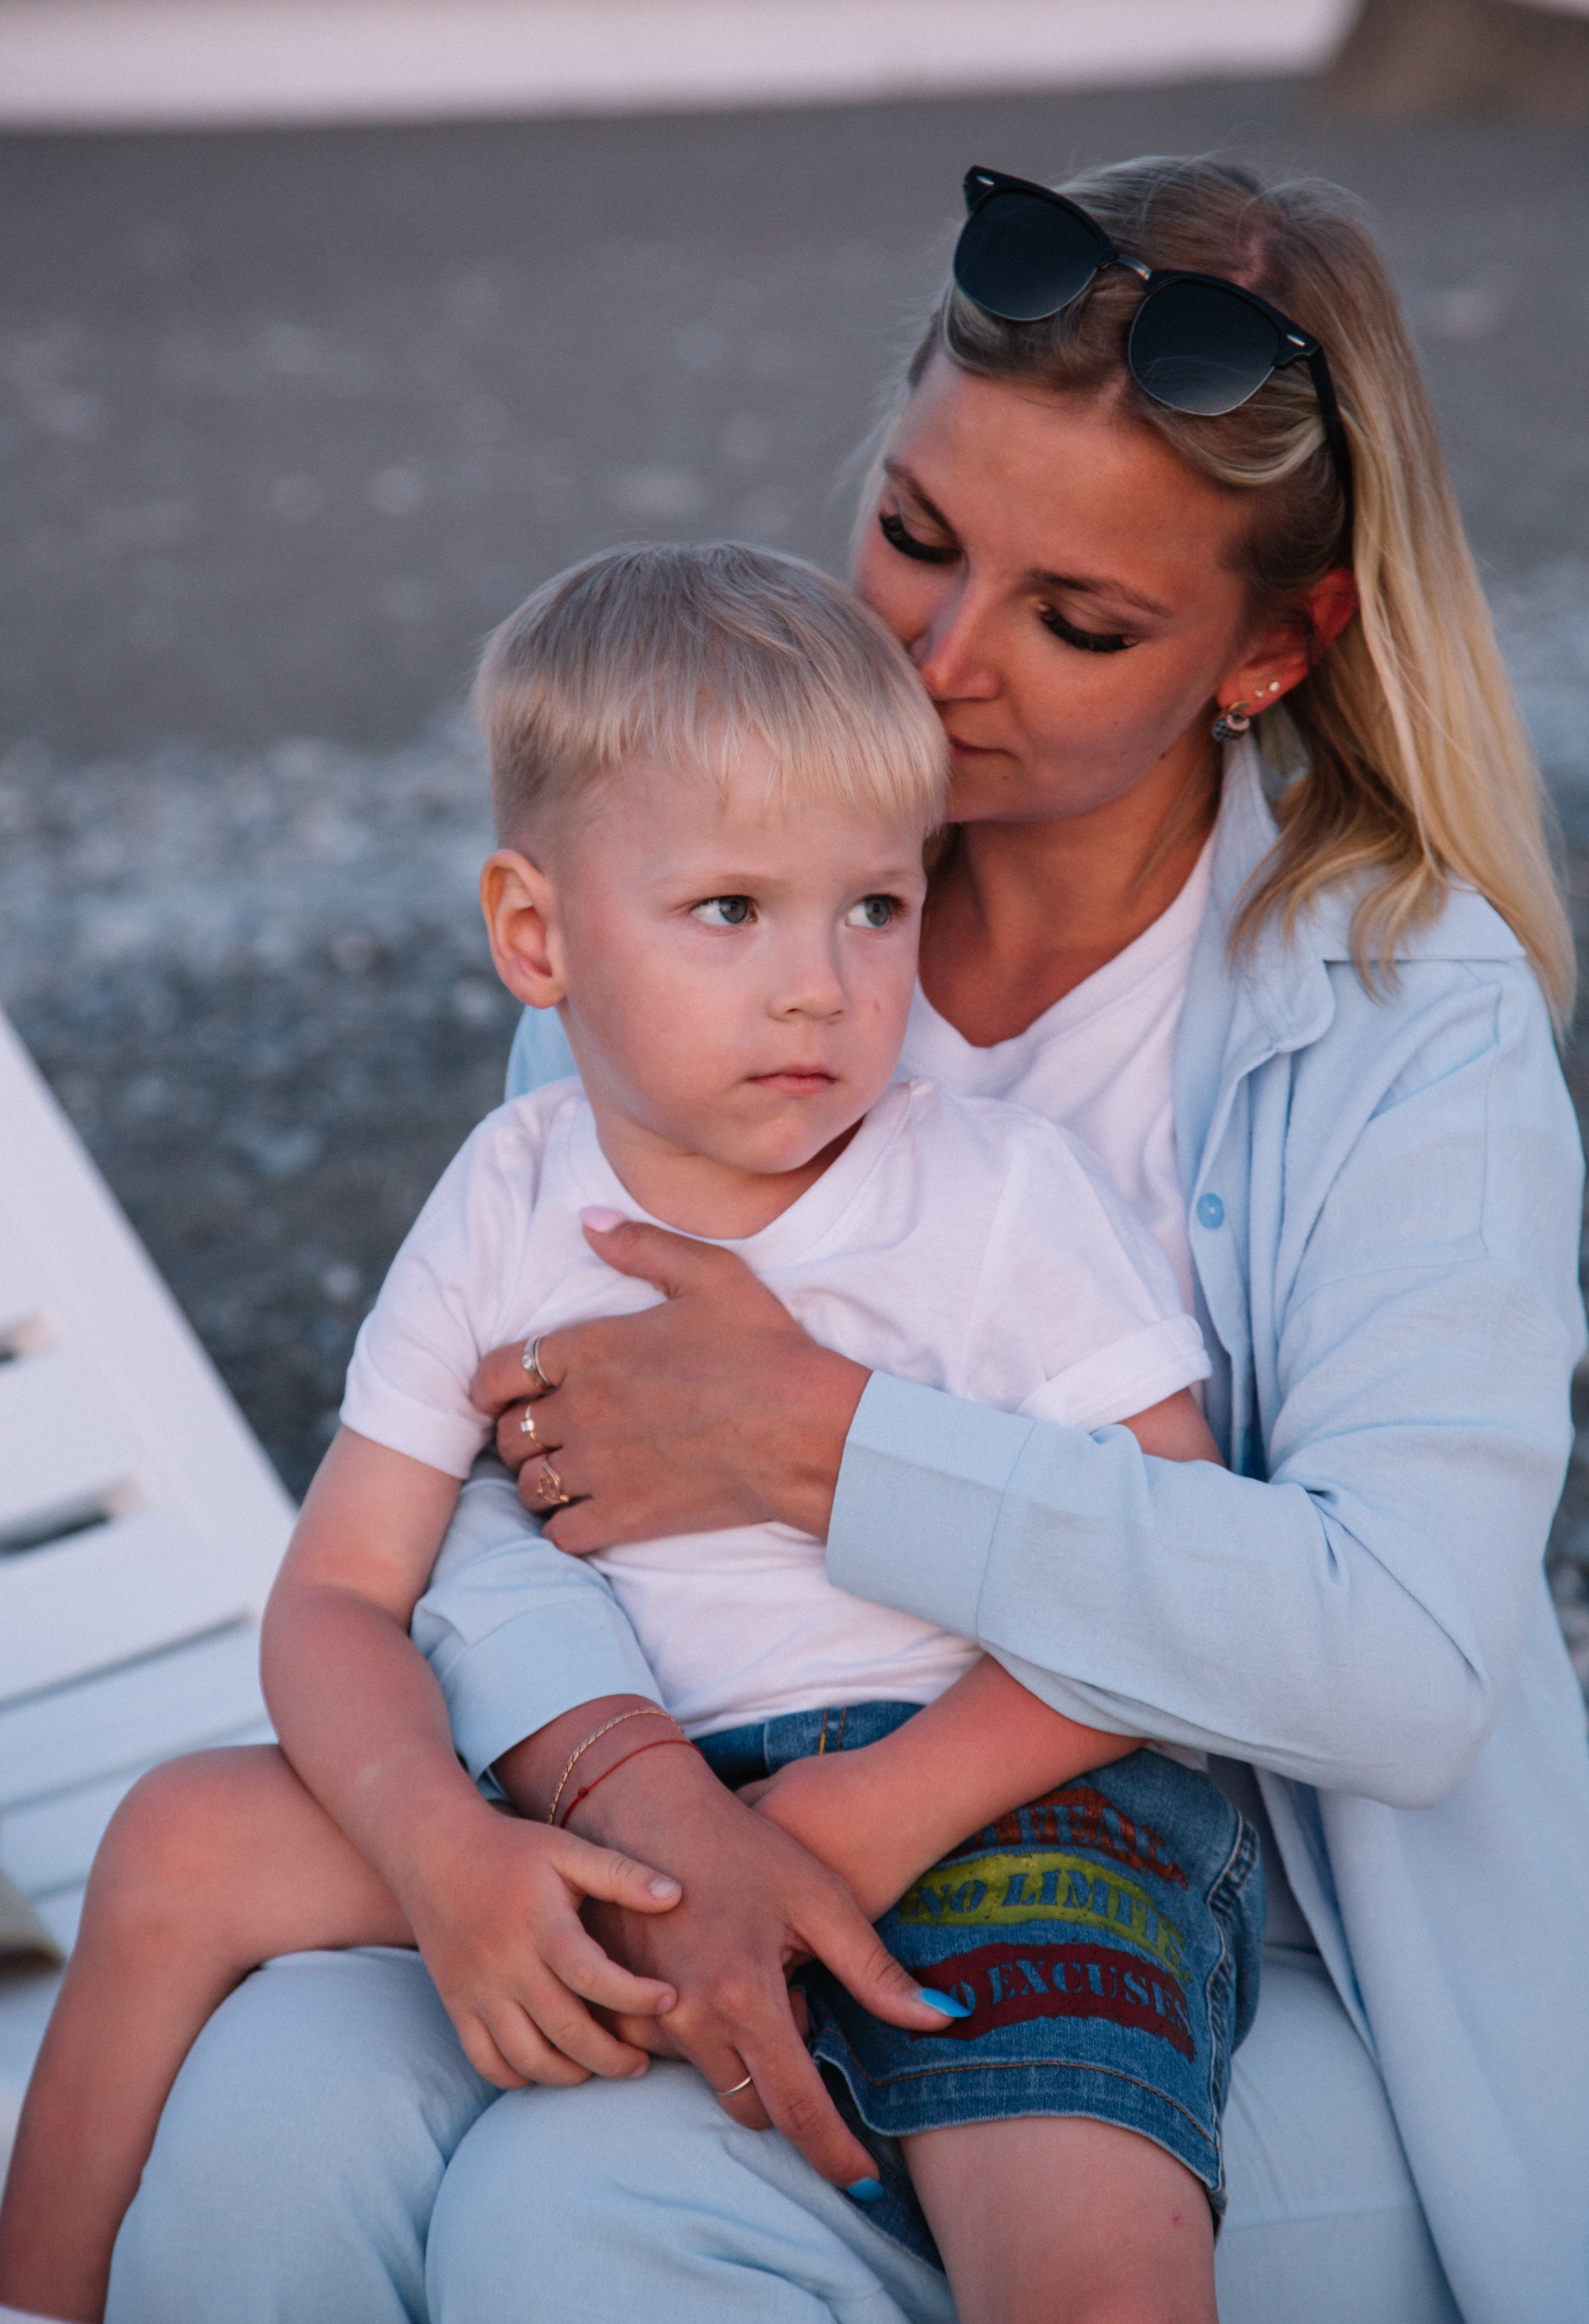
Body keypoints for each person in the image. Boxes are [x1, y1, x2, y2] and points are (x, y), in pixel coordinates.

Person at [104, 155, 1589, 2324]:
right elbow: (508, 1468)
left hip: (1250, 1940)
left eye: (1080, 622)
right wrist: (632, 1801)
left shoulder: (1399, 1011)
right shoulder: (706, 879)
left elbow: (1407, 1657)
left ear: (1275, 647)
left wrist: (822, 1448)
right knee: (252, 2133)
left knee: (577, 2230)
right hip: (675, 1790)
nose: (943, 662)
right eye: (915, 537)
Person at [1, 541, 1258, 2324]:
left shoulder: (985, 1199)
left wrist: (865, 1815)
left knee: (1083, 2238)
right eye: (732, 910)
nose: (819, 984)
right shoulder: (509, 1200)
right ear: (537, 933)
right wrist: (446, 1849)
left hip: (980, 1803)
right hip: (618, 1806)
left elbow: (1176, 1561)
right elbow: (341, 1600)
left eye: (873, 908)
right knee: (177, 1842)